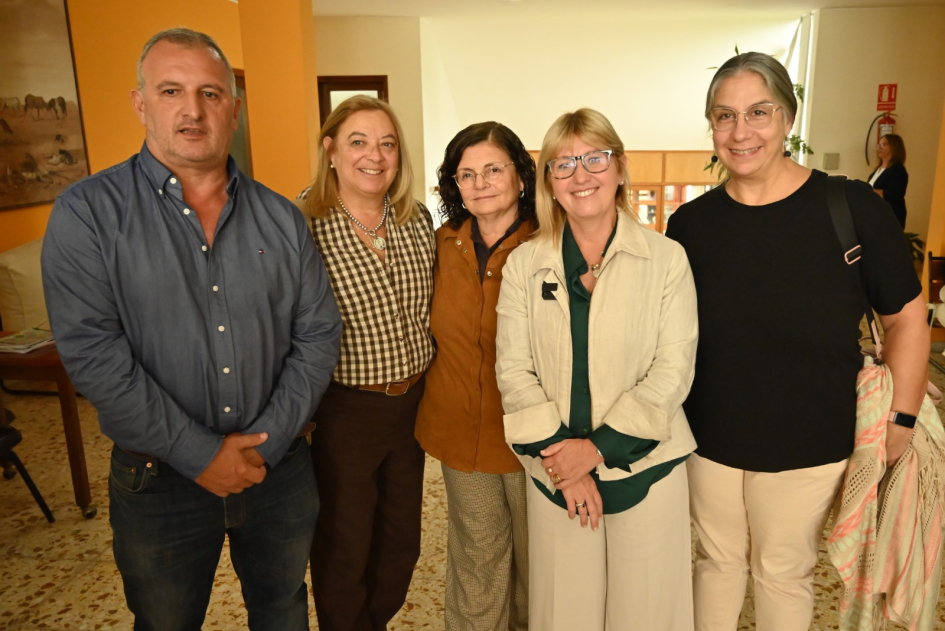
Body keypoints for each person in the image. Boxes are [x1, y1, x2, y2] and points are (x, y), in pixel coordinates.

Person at [40, 28, 342, 630]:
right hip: (159, 482)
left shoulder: (282, 217)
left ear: (234, 106)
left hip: (275, 473)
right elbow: (95, 355)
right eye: (172, 90)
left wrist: (266, 442)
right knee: (165, 621)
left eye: (210, 92)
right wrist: (200, 455)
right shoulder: (87, 215)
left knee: (282, 609)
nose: (192, 109)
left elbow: (317, 335)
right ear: (141, 103)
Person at [665, 52, 928, 631]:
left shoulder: (850, 207)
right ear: (711, 125)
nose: (741, 131)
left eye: (758, 112)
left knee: (782, 570)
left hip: (808, 436)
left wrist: (901, 421)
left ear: (788, 117)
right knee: (715, 564)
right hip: (707, 436)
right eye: (724, 116)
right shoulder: (690, 226)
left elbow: (908, 317)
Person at [495, 108, 698, 631]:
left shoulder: (667, 258)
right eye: (563, 164)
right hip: (556, 472)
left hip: (647, 468)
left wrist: (596, 451)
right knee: (567, 614)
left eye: (595, 159)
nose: (581, 175)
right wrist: (567, 462)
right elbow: (513, 371)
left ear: (621, 168)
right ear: (548, 183)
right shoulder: (523, 264)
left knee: (647, 615)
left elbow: (672, 370)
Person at [297, 95, 435, 631]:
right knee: (344, 547)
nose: (374, 155)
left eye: (387, 143)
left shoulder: (414, 219)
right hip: (344, 413)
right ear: (330, 149)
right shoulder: (303, 225)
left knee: (401, 544)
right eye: (358, 141)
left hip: (413, 409)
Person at [415, 122, 536, 631]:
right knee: (478, 564)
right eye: (467, 174)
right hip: (463, 437)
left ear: (521, 177)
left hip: (538, 440)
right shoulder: (440, 245)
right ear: (454, 185)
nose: (480, 182)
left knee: (541, 567)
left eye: (493, 169)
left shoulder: (549, 244)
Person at [867, 133, 909, 228]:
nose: (879, 148)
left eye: (884, 144)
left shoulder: (897, 169)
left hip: (889, 217)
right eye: (879, 145)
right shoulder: (877, 170)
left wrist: (866, 191)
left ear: (895, 147)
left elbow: (893, 194)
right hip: (874, 216)